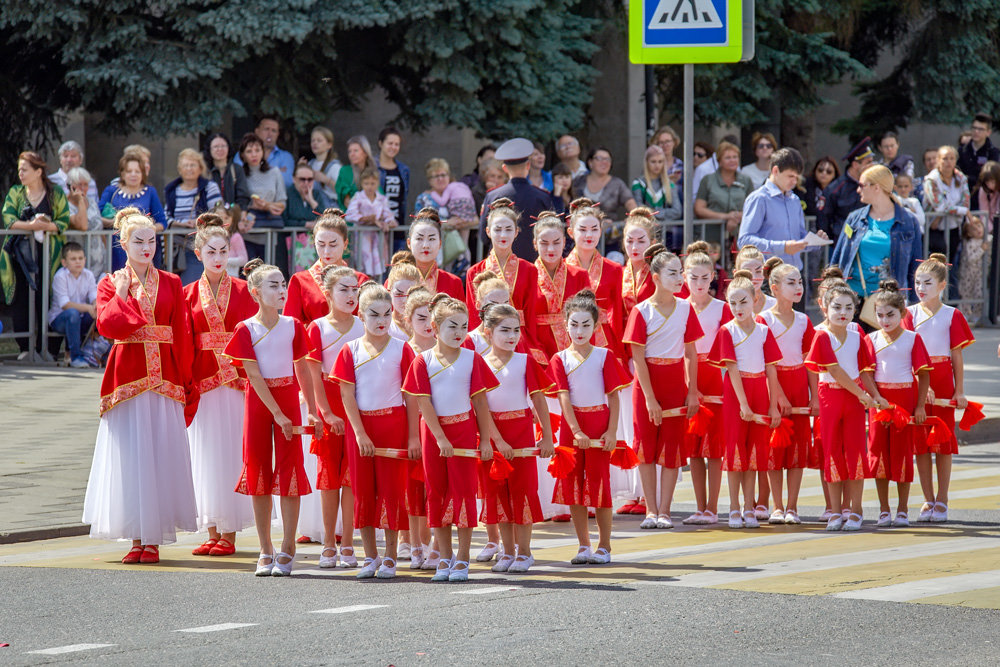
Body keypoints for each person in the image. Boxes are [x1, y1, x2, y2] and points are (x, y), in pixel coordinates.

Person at [82, 208, 198, 565]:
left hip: (164, 377)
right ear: (123, 243)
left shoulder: (173, 283)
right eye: (139, 241)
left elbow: (182, 334)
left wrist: (186, 379)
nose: (147, 248)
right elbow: (109, 326)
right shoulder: (110, 282)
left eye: (152, 241)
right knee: (132, 457)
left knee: (160, 455)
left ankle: (155, 540)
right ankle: (136, 538)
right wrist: (120, 293)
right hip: (128, 377)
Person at [223, 258, 316, 576]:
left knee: (291, 472)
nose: (282, 290)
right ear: (255, 292)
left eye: (283, 284)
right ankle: (265, 548)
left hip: (289, 400)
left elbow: (303, 368)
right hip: (260, 406)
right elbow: (253, 375)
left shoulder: (294, 326)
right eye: (273, 285)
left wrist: (313, 410)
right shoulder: (245, 328)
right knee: (259, 474)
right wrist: (277, 414)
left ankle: (288, 546)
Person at [403, 295, 499, 582]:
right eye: (451, 326)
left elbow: (481, 403)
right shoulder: (423, 360)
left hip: (464, 430)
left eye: (463, 326)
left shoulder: (472, 358)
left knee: (464, 493)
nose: (458, 332)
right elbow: (424, 403)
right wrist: (440, 438)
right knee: (437, 493)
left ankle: (463, 558)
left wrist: (484, 440)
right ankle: (444, 556)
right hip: (434, 436)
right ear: (434, 326)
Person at [334, 282, 418, 579]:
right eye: (373, 314)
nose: (381, 321)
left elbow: (411, 395)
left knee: (392, 491)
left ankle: (392, 556)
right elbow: (347, 395)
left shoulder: (402, 348)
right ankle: (369, 556)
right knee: (364, 493)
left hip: (394, 425)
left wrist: (412, 436)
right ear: (361, 315)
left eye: (386, 314)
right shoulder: (350, 350)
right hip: (362, 429)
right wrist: (358, 433)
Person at [184, 215, 258, 557]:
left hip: (237, 383)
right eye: (210, 251)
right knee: (204, 455)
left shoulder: (245, 291)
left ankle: (228, 531)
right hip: (203, 380)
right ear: (198, 253)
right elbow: (184, 342)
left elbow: (257, 336)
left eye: (223, 250)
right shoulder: (187, 295)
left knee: (230, 452)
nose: (217, 257)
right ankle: (211, 528)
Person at [624, 244, 702, 530]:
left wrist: (691, 390)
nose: (679, 278)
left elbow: (691, 353)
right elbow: (637, 357)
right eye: (672, 273)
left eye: (680, 273)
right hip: (646, 384)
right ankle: (650, 510)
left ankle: (665, 511)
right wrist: (649, 398)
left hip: (674, 383)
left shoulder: (685, 308)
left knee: (671, 449)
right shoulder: (642, 311)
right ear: (655, 277)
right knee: (645, 447)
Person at [550, 290, 630, 564]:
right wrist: (575, 431)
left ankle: (604, 545)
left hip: (599, 423)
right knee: (573, 487)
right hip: (573, 429)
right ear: (565, 324)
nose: (579, 330)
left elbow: (613, 396)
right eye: (574, 324)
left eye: (586, 325)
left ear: (596, 326)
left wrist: (611, 431)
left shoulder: (604, 356)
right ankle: (583, 545)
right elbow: (563, 397)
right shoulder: (559, 358)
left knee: (599, 485)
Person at [480, 302, 554, 573]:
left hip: (521, 431)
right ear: (488, 332)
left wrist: (547, 436)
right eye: (504, 331)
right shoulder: (480, 363)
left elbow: (539, 399)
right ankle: (507, 551)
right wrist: (496, 440)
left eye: (516, 331)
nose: (512, 337)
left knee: (522, 491)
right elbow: (481, 407)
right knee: (499, 492)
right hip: (493, 434)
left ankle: (525, 552)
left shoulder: (525, 360)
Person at [903, 254, 975, 524]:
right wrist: (922, 385)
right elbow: (907, 352)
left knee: (943, 443)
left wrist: (959, 390)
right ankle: (927, 498)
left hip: (943, 380)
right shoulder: (908, 313)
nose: (921, 288)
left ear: (942, 284)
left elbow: (957, 355)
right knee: (920, 443)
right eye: (917, 282)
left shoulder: (951, 315)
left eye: (928, 282)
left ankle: (942, 498)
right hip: (918, 379)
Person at [805, 284, 880, 531]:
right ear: (825, 308)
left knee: (856, 451)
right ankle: (836, 511)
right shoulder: (821, 335)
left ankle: (856, 510)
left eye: (849, 308)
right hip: (830, 397)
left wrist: (875, 396)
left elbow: (865, 371)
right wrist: (862, 394)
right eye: (837, 307)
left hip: (855, 400)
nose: (843, 312)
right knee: (832, 452)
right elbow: (834, 370)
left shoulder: (858, 335)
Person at [710, 270, 782, 529]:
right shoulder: (727, 331)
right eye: (733, 302)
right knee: (735, 451)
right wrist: (742, 404)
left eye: (743, 301)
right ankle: (732, 507)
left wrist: (773, 404)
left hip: (759, 391)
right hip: (735, 394)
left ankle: (749, 507)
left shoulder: (764, 331)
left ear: (755, 300)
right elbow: (730, 368)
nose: (738, 308)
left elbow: (772, 369)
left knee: (753, 452)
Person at [303, 265, 363, 568]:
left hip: (355, 407)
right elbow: (313, 373)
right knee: (329, 479)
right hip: (329, 405)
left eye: (355, 289)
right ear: (328, 293)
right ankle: (328, 542)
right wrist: (323, 412)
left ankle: (349, 542)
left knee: (352, 479)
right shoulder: (317, 327)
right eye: (344, 289)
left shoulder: (362, 326)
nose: (351, 295)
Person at [758, 259, 816, 525]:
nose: (798, 287)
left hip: (798, 383)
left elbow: (811, 362)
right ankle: (777, 506)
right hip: (774, 383)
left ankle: (792, 506)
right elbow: (765, 361)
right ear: (774, 288)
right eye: (791, 282)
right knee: (775, 447)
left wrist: (814, 395)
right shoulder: (764, 319)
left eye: (800, 282)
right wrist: (777, 395)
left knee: (797, 449)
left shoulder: (804, 321)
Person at [868, 280, 930, 528]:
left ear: (902, 313)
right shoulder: (870, 339)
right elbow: (866, 374)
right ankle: (884, 509)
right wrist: (876, 398)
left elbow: (924, 374)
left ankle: (903, 509)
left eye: (890, 315)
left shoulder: (912, 338)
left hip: (905, 399)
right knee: (878, 453)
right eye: (880, 315)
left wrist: (920, 405)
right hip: (880, 402)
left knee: (903, 453)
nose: (885, 320)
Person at [681, 241, 732, 525]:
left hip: (714, 378)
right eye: (693, 277)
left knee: (714, 448)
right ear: (684, 277)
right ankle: (699, 506)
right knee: (693, 449)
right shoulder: (678, 307)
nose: (699, 284)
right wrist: (689, 385)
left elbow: (726, 350)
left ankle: (712, 507)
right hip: (688, 378)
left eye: (704, 277)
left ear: (712, 277)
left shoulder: (722, 308)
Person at [2, 151, 69, 357]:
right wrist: (31, 225)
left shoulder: (55, 193)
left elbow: (63, 220)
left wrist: (48, 226)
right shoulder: (16, 192)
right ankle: (24, 348)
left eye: (25, 169)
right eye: (19, 169)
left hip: (50, 255)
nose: (20, 173)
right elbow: (8, 219)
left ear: (38, 171)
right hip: (19, 256)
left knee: (48, 297)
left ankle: (47, 347)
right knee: (21, 299)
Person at [830, 164, 924, 307]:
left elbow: (916, 268)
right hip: (851, 300)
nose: (858, 190)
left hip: (889, 301)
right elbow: (837, 259)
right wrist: (830, 293)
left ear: (876, 187)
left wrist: (915, 305)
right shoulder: (854, 219)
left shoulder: (909, 222)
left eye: (862, 185)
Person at [467, 197, 542, 359]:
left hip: (519, 338)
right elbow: (474, 315)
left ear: (516, 232)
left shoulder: (529, 269)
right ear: (488, 231)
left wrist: (531, 344)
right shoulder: (474, 271)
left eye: (508, 229)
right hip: (486, 339)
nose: (503, 235)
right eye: (497, 229)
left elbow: (531, 314)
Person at [738, 147, 827, 270]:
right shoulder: (759, 198)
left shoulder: (794, 200)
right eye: (790, 176)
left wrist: (814, 241)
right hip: (768, 274)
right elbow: (744, 241)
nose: (794, 181)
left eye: (797, 177)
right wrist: (782, 247)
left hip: (794, 272)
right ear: (775, 171)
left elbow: (799, 238)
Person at [565, 199, 626, 363]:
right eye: (583, 230)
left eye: (594, 229)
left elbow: (617, 313)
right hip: (570, 337)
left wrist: (620, 349)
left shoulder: (613, 269)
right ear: (571, 232)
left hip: (605, 339)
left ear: (601, 231)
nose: (589, 235)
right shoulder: (562, 269)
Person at [284, 209, 369, 323]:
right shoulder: (299, 281)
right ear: (314, 243)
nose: (327, 251)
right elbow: (291, 325)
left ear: (345, 244)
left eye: (333, 245)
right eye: (321, 245)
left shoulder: (361, 280)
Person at [479, 138, 557, 261]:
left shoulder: (493, 196)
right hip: (533, 261)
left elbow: (484, 235)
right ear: (528, 165)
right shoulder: (542, 196)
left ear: (504, 168)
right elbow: (552, 230)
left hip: (501, 262)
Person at [532, 212, 590, 360]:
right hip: (537, 346)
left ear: (564, 242)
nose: (550, 249)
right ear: (534, 244)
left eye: (556, 243)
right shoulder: (526, 275)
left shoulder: (580, 275)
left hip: (574, 346)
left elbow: (588, 317)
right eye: (544, 243)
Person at [98, 151, 167, 271]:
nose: (133, 175)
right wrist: (118, 223)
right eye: (129, 171)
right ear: (122, 173)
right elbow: (96, 216)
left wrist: (145, 231)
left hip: (144, 249)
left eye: (137, 171)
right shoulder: (111, 191)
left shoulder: (150, 192)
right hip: (116, 248)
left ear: (143, 174)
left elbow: (162, 222)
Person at [164, 148, 223, 284]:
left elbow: (219, 214)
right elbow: (165, 217)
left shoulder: (209, 187)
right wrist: (182, 223)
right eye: (185, 165)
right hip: (177, 246)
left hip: (201, 243)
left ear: (200, 168)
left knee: (194, 283)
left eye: (193, 165)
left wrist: (200, 222)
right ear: (180, 169)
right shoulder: (172, 190)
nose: (189, 169)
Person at [412, 159, 478, 272]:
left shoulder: (456, 194)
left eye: (443, 175)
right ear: (429, 180)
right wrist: (447, 223)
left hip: (459, 253)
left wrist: (463, 222)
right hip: (434, 253)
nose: (440, 179)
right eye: (435, 176)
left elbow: (475, 219)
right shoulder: (423, 198)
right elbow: (421, 224)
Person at [237, 133, 287, 267]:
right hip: (248, 231)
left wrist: (268, 205)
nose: (254, 154)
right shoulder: (240, 174)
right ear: (242, 155)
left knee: (269, 272)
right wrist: (252, 204)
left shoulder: (274, 172)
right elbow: (237, 201)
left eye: (257, 150)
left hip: (269, 230)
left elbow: (282, 202)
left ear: (263, 152)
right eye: (249, 151)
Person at [923, 145, 970, 279]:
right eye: (945, 159)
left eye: (951, 158)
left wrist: (956, 210)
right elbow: (940, 206)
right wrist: (961, 211)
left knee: (951, 264)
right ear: (938, 160)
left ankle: (947, 295)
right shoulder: (931, 179)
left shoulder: (961, 178)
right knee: (938, 265)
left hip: (953, 226)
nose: (948, 162)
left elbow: (966, 202)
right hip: (934, 228)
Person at [48, 242, 97, 367]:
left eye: (80, 258)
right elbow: (64, 304)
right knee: (73, 314)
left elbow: (94, 295)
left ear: (85, 260)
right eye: (73, 259)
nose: (78, 262)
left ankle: (94, 355)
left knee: (99, 313)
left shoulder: (88, 275)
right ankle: (76, 357)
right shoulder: (60, 276)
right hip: (60, 319)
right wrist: (88, 307)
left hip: (79, 317)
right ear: (64, 262)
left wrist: (96, 306)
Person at [817, 137, 875, 240]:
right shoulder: (835, 189)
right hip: (843, 243)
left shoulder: (874, 185)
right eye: (868, 162)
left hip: (868, 242)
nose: (872, 166)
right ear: (855, 164)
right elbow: (824, 220)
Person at [695, 140, 754, 241]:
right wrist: (726, 217)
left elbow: (753, 208)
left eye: (735, 157)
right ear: (719, 161)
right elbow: (699, 209)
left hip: (739, 234)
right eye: (728, 158)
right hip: (712, 234)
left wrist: (736, 217)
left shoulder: (746, 180)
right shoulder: (708, 180)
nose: (732, 160)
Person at [346, 167, 396, 278]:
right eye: (366, 183)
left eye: (373, 183)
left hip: (377, 238)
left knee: (376, 266)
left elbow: (387, 214)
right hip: (362, 237)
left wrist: (390, 221)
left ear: (377, 183)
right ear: (362, 184)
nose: (369, 186)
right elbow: (350, 214)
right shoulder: (358, 197)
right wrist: (367, 219)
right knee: (362, 265)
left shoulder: (382, 199)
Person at [404, 209, 464, 299]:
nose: (426, 245)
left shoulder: (454, 282)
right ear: (409, 243)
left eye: (431, 239)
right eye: (419, 239)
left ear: (440, 243)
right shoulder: (397, 281)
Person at [631, 146, 682, 248]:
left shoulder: (669, 184)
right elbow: (639, 209)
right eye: (653, 162)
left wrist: (653, 212)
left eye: (660, 161)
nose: (657, 165)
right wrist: (663, 213)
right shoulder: (638, 183)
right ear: (646, 162)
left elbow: (677, 211)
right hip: (645, 232)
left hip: (666, 232)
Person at [572, 147, 637, 223]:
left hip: (608, 231)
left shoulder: (617, 184)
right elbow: (568, 202)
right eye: (599, 158)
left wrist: (633, 218)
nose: (604, 162)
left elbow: (631, 204)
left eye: (607, 159)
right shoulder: (579, 181)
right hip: (580, 227)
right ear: (590, 162)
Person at [64, 166, 107, 278]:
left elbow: (100, 230)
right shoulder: (65, 205)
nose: (83, 188)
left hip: (98, 261)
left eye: (85, 185)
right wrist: (80, 201)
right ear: (70, 186)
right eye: (79, 184)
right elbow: (82, 226)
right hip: (76, 263)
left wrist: (106, 258)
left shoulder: (92, 203)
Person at [234, 115, 295, 187]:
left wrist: (255, 172)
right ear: (257, 131)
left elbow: (286, 183)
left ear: (278, 134)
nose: (270, 134)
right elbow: (241, 179)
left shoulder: (286, 157)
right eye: (266, 129)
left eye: (274, 131)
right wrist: (276, 171)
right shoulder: (242, 154)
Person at [205, 133, 251, 209]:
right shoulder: (205, 172)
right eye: (216, 146)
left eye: (223, 146)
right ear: (209, 150)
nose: (220, 149)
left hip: (233, 215)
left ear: (228, 148)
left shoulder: (237, 169)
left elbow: (243, 196)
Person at [957, 113, 1000, 190]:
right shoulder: (962, 150)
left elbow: (992, 176)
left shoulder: (993, 152)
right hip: (963, 193)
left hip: (984, 193)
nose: (976, 131)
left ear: (988, 132)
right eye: (974, 128)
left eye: (980, 129)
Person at [335, 135, 378, 208]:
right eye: (349, 151)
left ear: (365, 153)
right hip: (351, 215)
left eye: (355, 150)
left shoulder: (373, 171)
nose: (352, 154)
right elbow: (346, 202)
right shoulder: (345, 171)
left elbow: (379, 198)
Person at [691, 134, 739, 198]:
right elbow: (694, 196)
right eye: (728, 157)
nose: (732, 160)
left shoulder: (738, 170)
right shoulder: (703, 169)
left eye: (734, 156)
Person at [284, 163, 331, 228]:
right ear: (294, 179)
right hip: (290, 236)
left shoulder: (316, 195)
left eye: (310, 179)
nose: (306, 183)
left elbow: (326, 219)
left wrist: (312, 202)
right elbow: (284, 220)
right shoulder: (286, 194)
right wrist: (305, 224)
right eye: (302, 179)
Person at [308, 126, 342, 206]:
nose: (315, 143)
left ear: (329, 145)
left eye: (319, 141)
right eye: (313, 140)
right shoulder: (310, 164)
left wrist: (326, 180)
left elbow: (342, 191)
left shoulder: (335, 167)